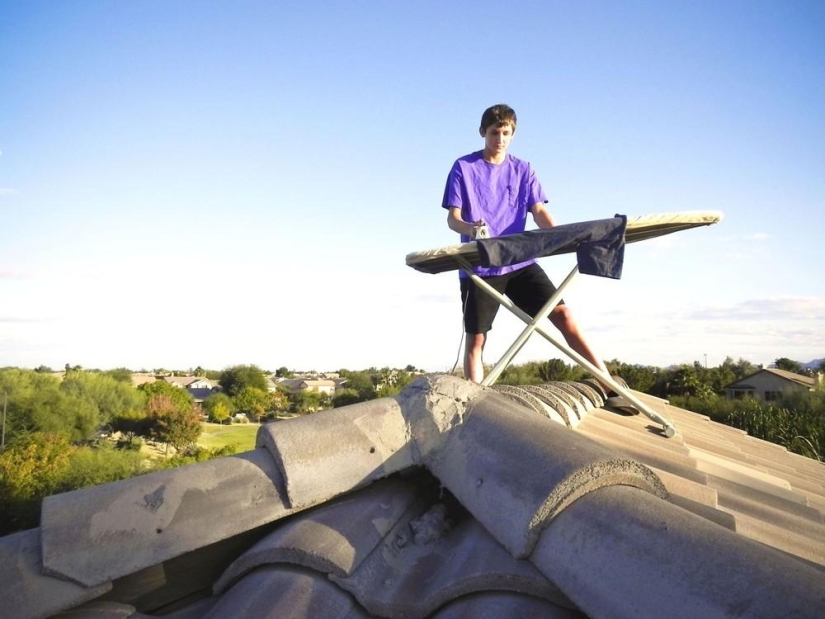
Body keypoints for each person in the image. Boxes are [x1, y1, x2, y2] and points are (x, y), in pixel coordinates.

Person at [442, 103, 613, 385]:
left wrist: (561, 236)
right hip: (481, 266)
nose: (500, 139)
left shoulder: (523, 169)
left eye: (505, 133)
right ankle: (475, 404)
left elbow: (539, 211)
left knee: (564, 316)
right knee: (477, 339)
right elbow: (453, 219)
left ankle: (608, 383)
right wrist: (470, 229)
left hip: (520, 261)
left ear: (513, 134)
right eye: (495, 132)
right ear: (483, 132)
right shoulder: (464, 167)